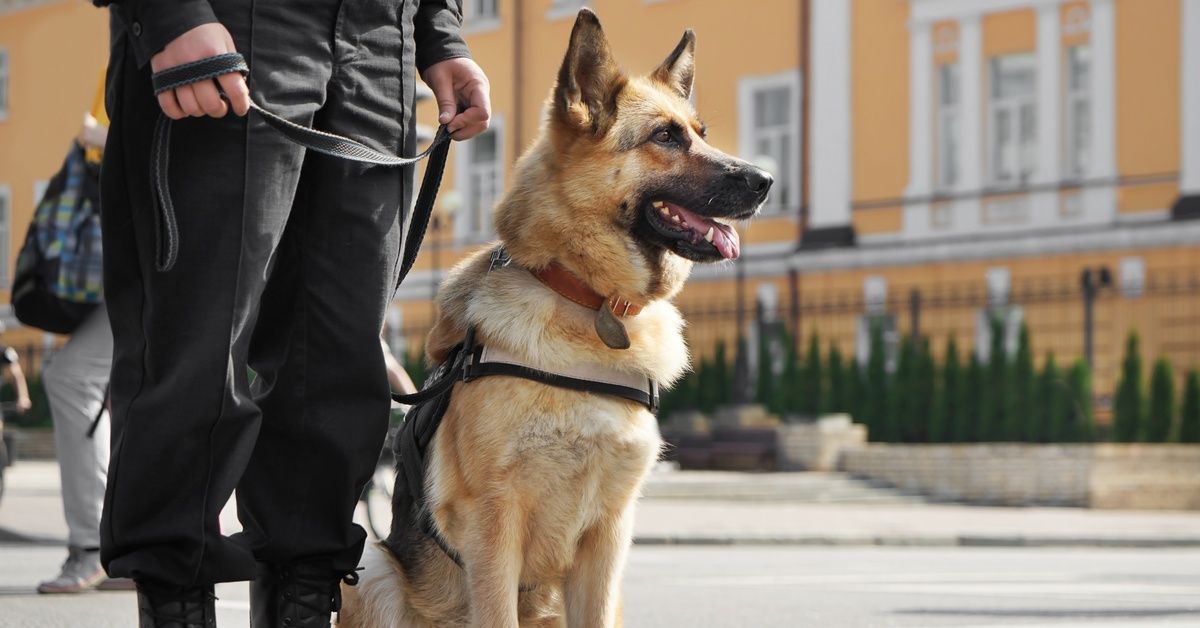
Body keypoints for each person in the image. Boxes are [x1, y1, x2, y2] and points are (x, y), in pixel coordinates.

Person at [93, 0, 490, 626]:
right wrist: (168, 12)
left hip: (383, 40)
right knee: (196, 348)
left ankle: (302, 603)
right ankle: (175, 603)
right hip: (234, 23)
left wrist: (438, 33)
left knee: (337, 361)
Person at [36, 99, 132, 595]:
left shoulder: (162, 27)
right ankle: (142, 548)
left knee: (72, 376)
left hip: (162, 244)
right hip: (141, 245)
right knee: (153, 386)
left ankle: (99, 546)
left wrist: (98, 139)